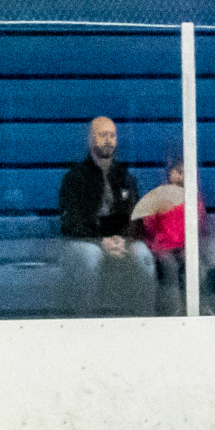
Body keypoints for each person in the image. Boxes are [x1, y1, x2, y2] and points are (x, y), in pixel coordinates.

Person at [58, 116, 155, 316]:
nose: (109, 140)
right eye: (103, 135)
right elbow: (72, 223)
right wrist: (101, 241)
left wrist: (122, 239)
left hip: (118, 240)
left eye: (112, 135)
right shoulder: (75, 178)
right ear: (91, 140)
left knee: (142, 254)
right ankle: (85, 320)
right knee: (91, 255)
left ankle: (145, 320)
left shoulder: (124, 177)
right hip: (85, 241)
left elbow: (135, 217)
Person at [141, 153, 210, 316]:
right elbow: (148, 225)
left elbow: (200, 227)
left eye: (186, 173)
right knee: (170, 267)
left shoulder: (195, 199)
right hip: (163, 248)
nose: (182, 176)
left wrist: (191, 248)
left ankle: (199, 306)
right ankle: (174, 308)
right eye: (179, 172)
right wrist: (154, 247)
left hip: (185, 248)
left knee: (197, 268)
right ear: (170, 173)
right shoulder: (159, 196)